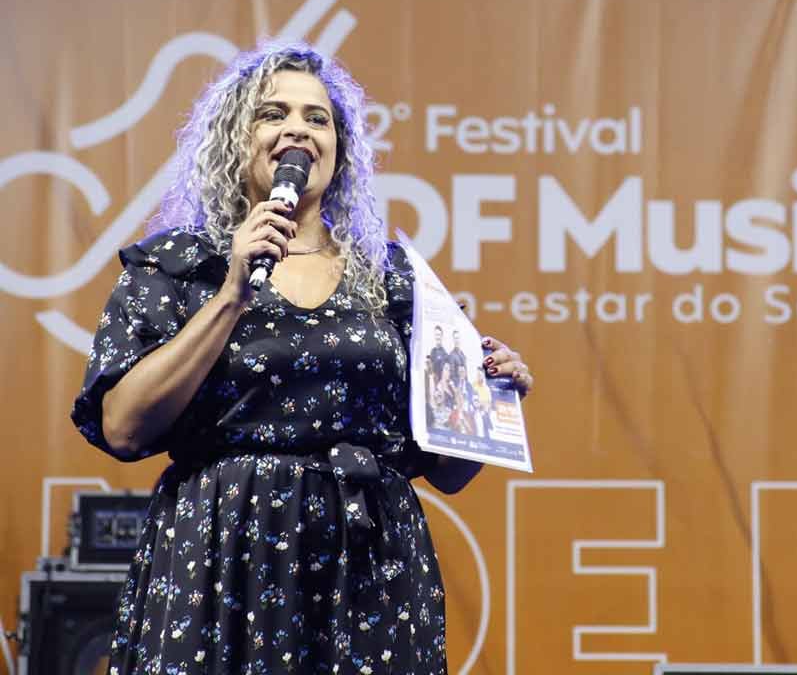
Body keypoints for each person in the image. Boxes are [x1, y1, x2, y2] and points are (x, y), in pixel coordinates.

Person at [70, 42, 534, 675]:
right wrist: (231, 294)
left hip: (369, 565)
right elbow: (124, 427)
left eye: (318, 118)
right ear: (237, 139)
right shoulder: (178, 265)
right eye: (274, 114)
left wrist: (488, 395)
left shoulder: (391, 278)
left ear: (339, 151)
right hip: (224, 554)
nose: (298, 129)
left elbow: (448, 471)